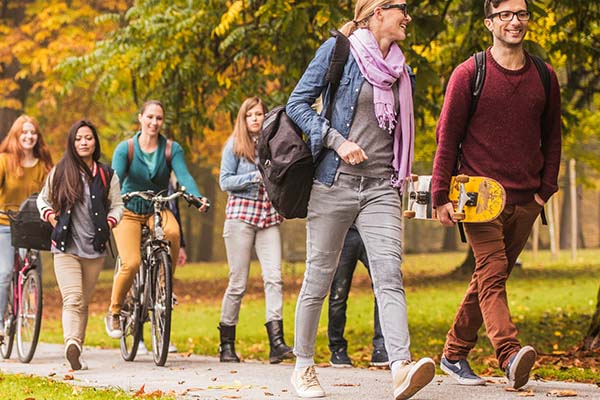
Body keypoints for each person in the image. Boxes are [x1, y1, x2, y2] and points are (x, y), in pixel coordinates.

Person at [286, 1, 435, 398]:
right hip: (334, 183)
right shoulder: (339, 51)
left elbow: (399, 134)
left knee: (389, 275)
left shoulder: (402, 70)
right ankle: (303, 366)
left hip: (382, 189)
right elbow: (296, 104)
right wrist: (336, 141)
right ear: (375, 14)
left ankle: (401, 366)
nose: (406, 16)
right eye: (399, 8)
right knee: (318, 278)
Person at [431, 0, 562, 390]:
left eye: (520, 14)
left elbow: (553, 135)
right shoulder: (469, 73)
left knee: (490, 275)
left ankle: (454, 354)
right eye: (504, 15)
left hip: (526, 199)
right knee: (491, 274)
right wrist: (440, 196)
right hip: (477, 196)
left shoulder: (544, 74)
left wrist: (545, 190)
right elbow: (447, 137)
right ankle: (509, 355)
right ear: (489, 23)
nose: (514, 21)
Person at [105, 100, 209, 339]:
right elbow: (115, 179)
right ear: (140, 118)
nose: (154, 122)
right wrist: (110, 200)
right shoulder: (126, 149)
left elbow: (184, 177)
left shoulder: (172, 149)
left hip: (157, 208)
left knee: (173, 233)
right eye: (150, 117)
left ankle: (164, 287)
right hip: (128, 209)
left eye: (159, 118)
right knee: (131, 262)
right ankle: (115, 311)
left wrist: (197, 197)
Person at [37, 120, 123, 370]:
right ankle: (71, 342)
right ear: (72, 143)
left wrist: (110, 221)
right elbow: (43, 201)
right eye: (78, 138)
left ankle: (77, 349)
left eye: (88, 138)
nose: (84, 142)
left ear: (95, 142)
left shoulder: (107, 174)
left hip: (94, 249)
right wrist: (52, 217)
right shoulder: (60, 171)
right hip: (65, 247)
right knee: (72, 299)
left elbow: (117, 205)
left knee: (82, 301)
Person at [218, 96, 293, 364]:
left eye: (259, 114)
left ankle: (276, 343)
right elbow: (224, 181)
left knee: (274, 278)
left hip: (268, 218)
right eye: (250, 114)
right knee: (238, 283)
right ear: (243, 118)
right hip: (241, 217)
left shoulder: (273, 144)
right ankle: (226, 344)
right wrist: (255, 177)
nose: (255, 118)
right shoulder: (234, 146)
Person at [0, 115, 53, 343]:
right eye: (25, 132)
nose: (29, 136)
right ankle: (1, 322)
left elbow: (49, 195)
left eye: (33, 133)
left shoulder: (43, 166)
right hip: (4, 223)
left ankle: (24, 310)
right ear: (16, 135)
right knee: (4, 273)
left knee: (30, 271)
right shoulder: (3, 161)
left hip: (32, 226)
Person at [328, 225, 388, 368]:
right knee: (338, 293)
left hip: (373, 231)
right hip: (343, 233)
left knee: (384, 291)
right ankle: (337, 349)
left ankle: (381, 347)